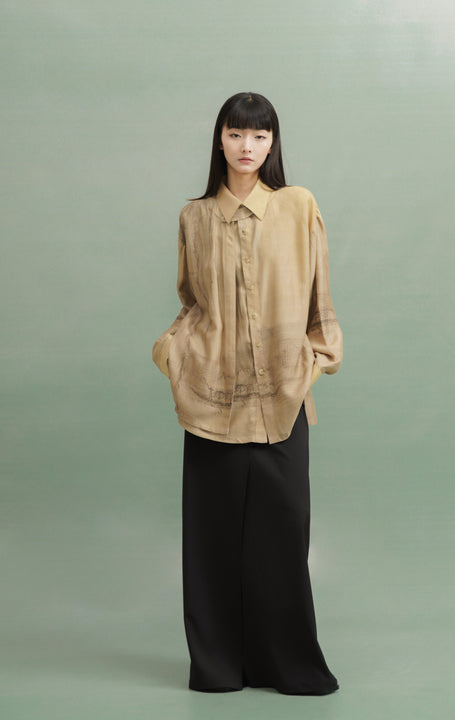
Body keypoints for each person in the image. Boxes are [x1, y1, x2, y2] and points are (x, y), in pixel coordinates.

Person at [152, 92, 343, 695]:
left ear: (272, 144)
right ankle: (216, 668)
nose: (247, 147)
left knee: (281, 536)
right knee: (210, 541)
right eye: (236, 134)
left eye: (260, 136)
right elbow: (190, 302)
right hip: (210, 399)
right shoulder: (195, 217)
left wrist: (313, 362)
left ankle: (285, 665)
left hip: (283, 398)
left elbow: (319, 300)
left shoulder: (298, 206)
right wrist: (172, 351)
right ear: (220, 139)